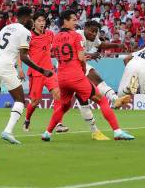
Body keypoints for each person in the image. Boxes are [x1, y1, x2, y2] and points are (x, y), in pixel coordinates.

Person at [41, 10, 134, 141]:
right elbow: (81, 57)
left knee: (64, 106)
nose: (75, 22)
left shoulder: (55, 37)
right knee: (101, 100)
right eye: (73, 19)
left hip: (61, 76)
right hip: (76, 76)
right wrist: (83, 69)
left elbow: (54, 55)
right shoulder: (77, 36)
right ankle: (117, 131)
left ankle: (47, 133)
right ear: (65, 21)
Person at [0, 6, 54, 145]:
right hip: (5, 66)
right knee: (20, 100)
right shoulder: (25, 32)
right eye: (30, 18)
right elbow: (24, 57)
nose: (32, 20)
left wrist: (2, 57)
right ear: (25, 18)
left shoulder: (7, 27)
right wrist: (42, 70)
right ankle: (8, 131)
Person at [23, 11, 61, 132]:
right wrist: (19, 69)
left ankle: (58, 123)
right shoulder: (28, 36)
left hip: (49, 72)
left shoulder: (50, 34)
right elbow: (21, 54)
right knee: (35, 102)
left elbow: (55, 49)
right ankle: (27, 119)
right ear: (33, 22)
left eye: (43, 20)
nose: (42, 23)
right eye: (39, 20)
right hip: (36, 73)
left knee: (58, 94)